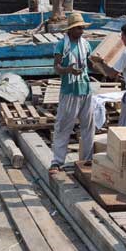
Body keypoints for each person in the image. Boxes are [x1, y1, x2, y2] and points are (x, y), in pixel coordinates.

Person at [49, 13, 95, 175]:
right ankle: (57, 161)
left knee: (88, 126)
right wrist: (68, 70)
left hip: (86, 90)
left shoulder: (86, 44)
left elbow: (91, 64)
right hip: (69, 91)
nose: (81, 31)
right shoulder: (62, 45)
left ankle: (87, 158)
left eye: (82, 28)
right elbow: (57, 67)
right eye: (79, 28)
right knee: (63, 126)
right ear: (71, 29)